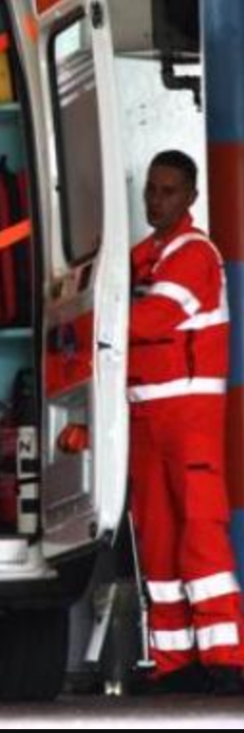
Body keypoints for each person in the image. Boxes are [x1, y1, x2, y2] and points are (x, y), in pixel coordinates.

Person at [129, 150, 244, 694]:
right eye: (152, 189)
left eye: (168, 191)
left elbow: (150, 319)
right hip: (149, 415)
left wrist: (92, 326)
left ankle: (225, 659)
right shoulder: (144, 256)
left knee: (200, 537)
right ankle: (175, 664)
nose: (156, 199)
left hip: (189, 415)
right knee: (159, 542)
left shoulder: (195, 254)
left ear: (191, 198)